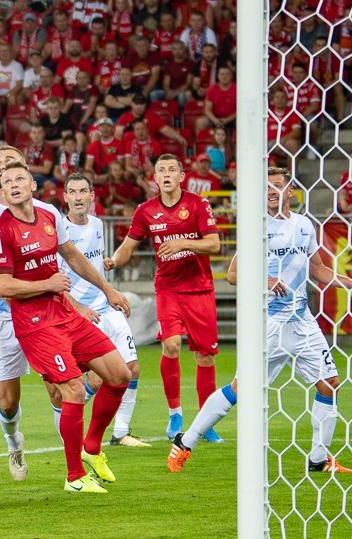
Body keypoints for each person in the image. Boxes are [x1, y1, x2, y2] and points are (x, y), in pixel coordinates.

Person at [169, 168, 352, 474]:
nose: (270, 191)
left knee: (330, 384)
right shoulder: (258, 228)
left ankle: (319, 459)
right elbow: (233, 275)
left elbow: (318, 270)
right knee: (240, 389)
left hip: (302, 321)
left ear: (290, 191)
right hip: (268, 323)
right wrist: (265, 280)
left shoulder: (304, 225)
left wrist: (348, 282)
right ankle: (185, 441)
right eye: (266, 187)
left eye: (277, 186)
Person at [0, 162, 132, 493]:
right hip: (36, 325)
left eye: (20, 178)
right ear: (2, 191)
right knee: (74, 390)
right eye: (7, 181)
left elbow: (73, 256)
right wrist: (47, 284)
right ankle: (74, 477)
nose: (14, 184)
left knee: (120, 375)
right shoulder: (1, 231)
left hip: (65, 314)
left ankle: (91, 448)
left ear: (32, 186)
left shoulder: (49, 215)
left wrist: (107, 290)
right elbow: (2, 285)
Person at [0, 145, 67, 482]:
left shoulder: (47, 212)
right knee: (7, 402)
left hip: (45, 311)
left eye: (9, 160)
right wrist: (3, 286)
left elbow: (67, 258)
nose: (2, 165)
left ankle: (75, 463)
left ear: (25, 171)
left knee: (58, 388)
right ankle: (14, 443)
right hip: (2, 314)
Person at [105, 154, 222, 441]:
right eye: (161, 170)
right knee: (171, 345)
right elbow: (128, 246)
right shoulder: (145, 211)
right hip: (168, 288)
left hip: (200, 288)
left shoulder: (198, 204)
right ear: (155, 178)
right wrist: (114, 260)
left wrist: (182, 243)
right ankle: (175, 415)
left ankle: (206, 424)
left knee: (205, 356)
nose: (167, 174)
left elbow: (214, 244)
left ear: (182, 176)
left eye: (172, 169)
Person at [59, 174, 148, 447]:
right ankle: (71, 417)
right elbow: (55, 279)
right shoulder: (60, 231)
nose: (78, 197)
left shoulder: (98, 225)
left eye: (83, 191)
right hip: (82, 313)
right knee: (98, 379)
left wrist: (109, 284)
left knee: (132, 368)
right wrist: (78, 308)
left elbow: (93, 267)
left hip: (106, 307)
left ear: (92, 196)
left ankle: (120, 431)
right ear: (65, 197)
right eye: (73, 192)